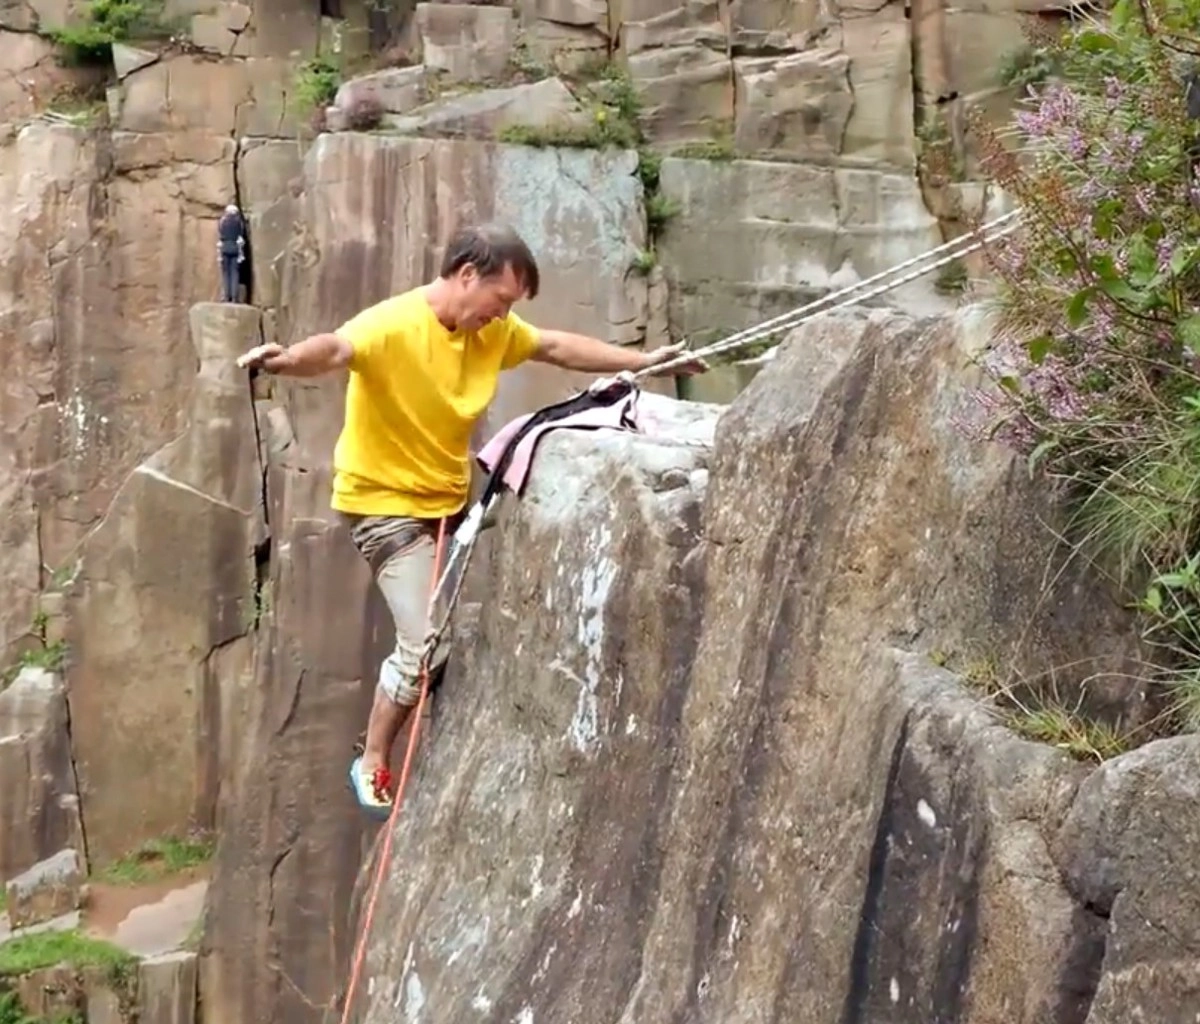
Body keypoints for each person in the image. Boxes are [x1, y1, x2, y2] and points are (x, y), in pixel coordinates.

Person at [236, 222, 707, 819]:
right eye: (501, 300)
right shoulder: (392, 325)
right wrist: (283, 360)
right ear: (465, 276)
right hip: (385, 510)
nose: (503, 315)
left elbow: (556, 347)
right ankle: (373, 753)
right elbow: (333, 349)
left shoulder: (492, 334)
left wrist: (644, 361)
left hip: (448, 501)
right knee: (427, 644)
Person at [217, 204, 246, 302]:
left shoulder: (223, 221)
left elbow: (220, 233)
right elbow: (241, 234)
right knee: (235, 273)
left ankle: (226, 296)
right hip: (236, 248)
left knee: (226, 273)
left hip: (224, 248)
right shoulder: (239, 222)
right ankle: (234, 297)